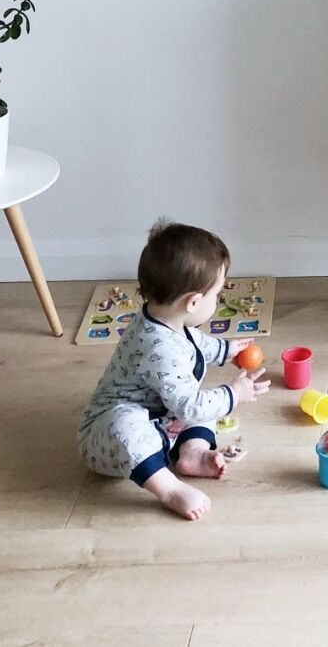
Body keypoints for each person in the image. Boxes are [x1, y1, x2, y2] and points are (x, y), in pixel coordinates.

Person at [78, 220, 270, 520]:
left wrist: (225, 351)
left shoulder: (166, 319)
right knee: (149, 418)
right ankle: (169, 489)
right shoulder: (158, 347)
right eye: (216, 295)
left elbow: (193, 342)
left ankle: (192, 453)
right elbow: (190, 406)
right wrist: (233, 393)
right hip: (109, 439)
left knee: (204, 405)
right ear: (193, 302)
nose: (217, 301)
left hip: (162, 415)